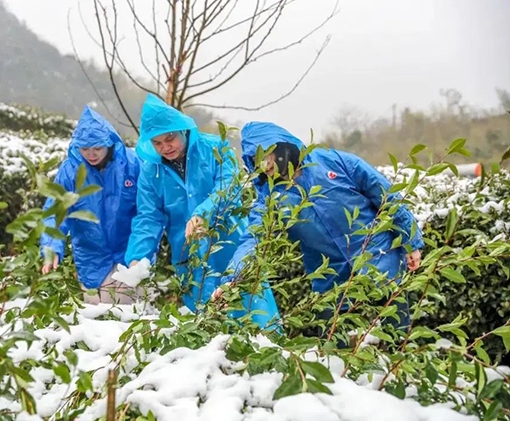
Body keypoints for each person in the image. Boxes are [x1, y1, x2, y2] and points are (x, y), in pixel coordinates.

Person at [223, 121, 424, 332]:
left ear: (279, 146)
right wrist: (232, 279)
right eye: (255, 160)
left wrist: (410, 242)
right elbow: (253, 240)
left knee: (397, 333)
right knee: (333, 343)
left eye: (265, 155)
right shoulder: (270, 199)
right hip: (331, 278)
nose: (263, 165)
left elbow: (386, 196)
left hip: (379, 258)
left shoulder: (334, 162)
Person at [125, 94, 279, 328]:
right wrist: (139, 257)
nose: (165, 147)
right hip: (189, 255)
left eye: (170, 139)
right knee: (203, 325)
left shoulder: (215, 149)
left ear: (183, 131)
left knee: (253, 313)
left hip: (230, 245)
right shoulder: (150, 172)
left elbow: (228, 187)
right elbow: (148, 217)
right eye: (157, 143)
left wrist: (203, 215)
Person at [40, 106, 141, 304]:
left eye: (97, 148)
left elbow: (146, 210)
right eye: (85, 149)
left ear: (108, 143)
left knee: (128, 317)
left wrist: (142, 251)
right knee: (95, 320)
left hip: (128, 253)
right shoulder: (70, 170)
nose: (91, 154)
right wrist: (51, 246)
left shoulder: (131, 164)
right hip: (91, 257)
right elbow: (56, 210)